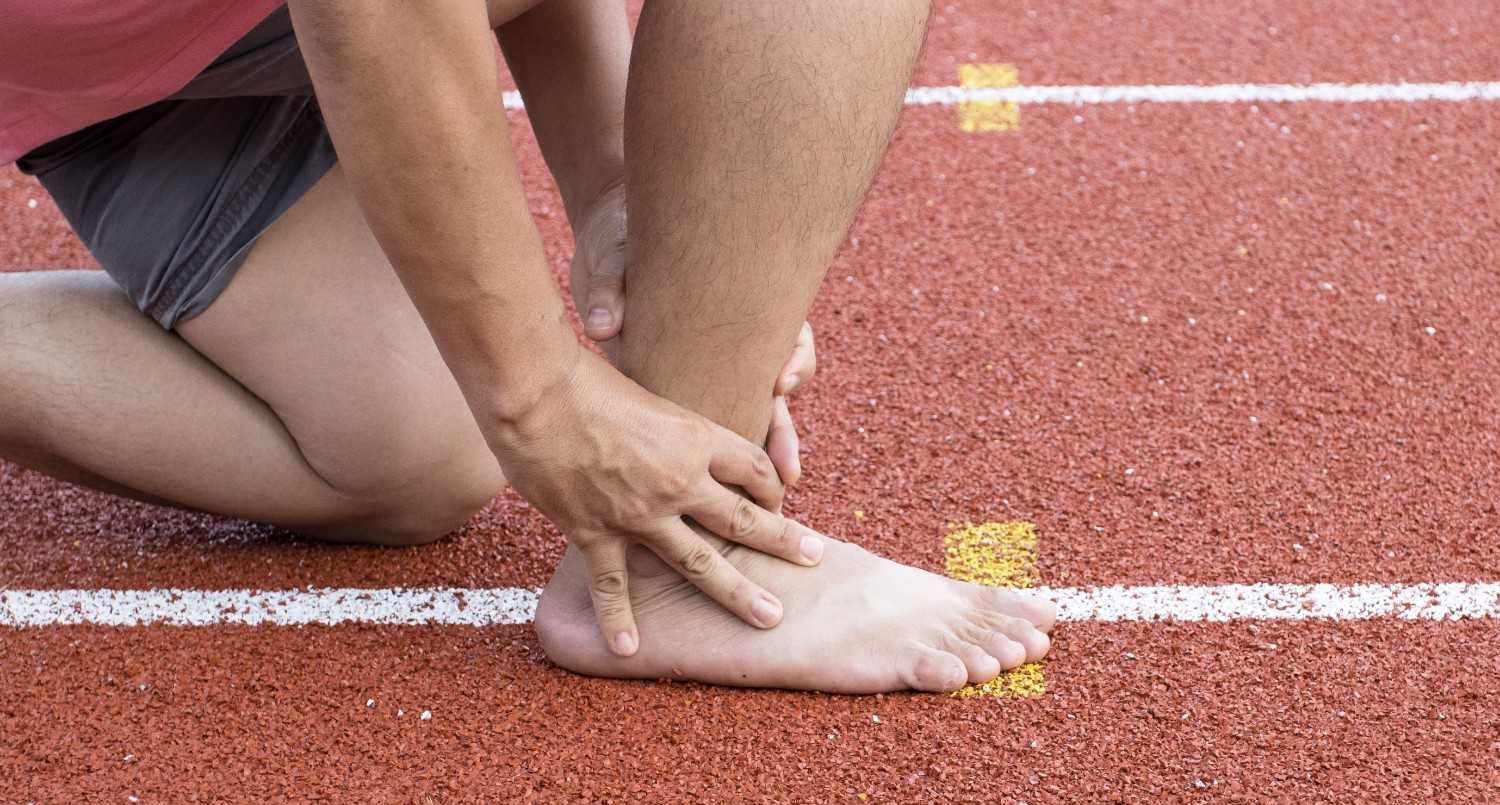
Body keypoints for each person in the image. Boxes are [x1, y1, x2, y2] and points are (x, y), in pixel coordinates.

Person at [0, 0, 1055, 692]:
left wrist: (616, 184)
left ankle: (674, 531)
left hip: (151, 35)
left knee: (404, 453)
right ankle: (683, 563)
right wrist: (542, 403)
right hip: (120, 42)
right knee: (483, 406)